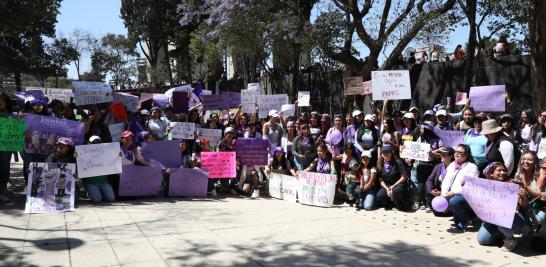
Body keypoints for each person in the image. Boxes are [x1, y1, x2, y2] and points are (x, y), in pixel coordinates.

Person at [477, 162, 533, 250]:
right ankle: (501, 232)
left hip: (514, 219)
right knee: (483, 240)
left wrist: (522, 197)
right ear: (491, 173)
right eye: (499, 170)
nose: (503, 173)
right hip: (492, 218)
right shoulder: (486, 185)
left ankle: (510, 239)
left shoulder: (513, 185)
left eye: (504, 170)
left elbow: (524, 205)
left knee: (500, 215)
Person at [441, 144, 480, 231]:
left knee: (453, 201)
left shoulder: (472, 168)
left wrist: (453, 192)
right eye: (456, 151)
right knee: (441, 206)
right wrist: (443, 193)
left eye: (460, 152)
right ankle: (459, 218)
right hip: (451, 193)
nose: (457, 154)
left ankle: (466, 219)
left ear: (466, 154)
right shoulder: (451, 165)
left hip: (465, 194)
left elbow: (469, 187)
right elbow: (446, 180)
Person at [407, 121, 442, 211]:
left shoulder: (438, 140)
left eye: (423, 129)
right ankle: (422, 201)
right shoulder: (420, 139)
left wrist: (432, 153)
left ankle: (429, 203)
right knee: (421, 183)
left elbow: (442, 155)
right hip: (421, 165)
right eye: (421, 129)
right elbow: (415, 151)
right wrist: (410, 158)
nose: (421, 131)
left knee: (430, 183)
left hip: (433, 164)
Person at [83, 136, 115, 203]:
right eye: (93, 142)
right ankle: (91, 192)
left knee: (111, 198)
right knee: (97, 200)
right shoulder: (83, 153)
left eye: (98, 142)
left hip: (104, 182)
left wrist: (118, 155)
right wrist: (76, 156)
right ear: (89, 143)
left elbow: (113, 161)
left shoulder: (105, 152)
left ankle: (99, 192)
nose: (96, 144)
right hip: (91, 182)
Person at [375, 145, 408, 210]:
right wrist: (387, 188)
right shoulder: (379, 164)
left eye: (387, 152)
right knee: (379, 196)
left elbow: (404, 177)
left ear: (391, 153)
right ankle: (389, 202)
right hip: (386, 186)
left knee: (397, 191)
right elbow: (380, 179)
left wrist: (393, 186)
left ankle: (398, 203)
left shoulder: (398, 162)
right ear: (381, 154)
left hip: (398, 185)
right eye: (384, 152)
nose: (385, 154)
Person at [425, 147, 455, 213]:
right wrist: (431, 191)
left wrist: (445, 193)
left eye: (444, 154)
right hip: (438, 192)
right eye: (441, 154)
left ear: (451, 156)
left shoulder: (455, 167)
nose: (441, 156)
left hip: (449, 193)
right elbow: (430, 179)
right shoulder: (438, 166)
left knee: (440, 213)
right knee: (427, 185)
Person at [0, 93, 14, 202]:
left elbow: (18, 130)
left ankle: (3, 189)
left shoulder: (12, 115)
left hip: (6, 147)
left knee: (5, 169)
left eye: (2, 100)